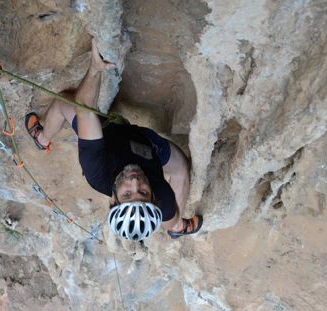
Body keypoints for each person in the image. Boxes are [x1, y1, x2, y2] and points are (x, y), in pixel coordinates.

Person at [25, 38, 203, 241]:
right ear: (154, 198)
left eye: (127, 194)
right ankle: (178, 228)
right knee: (181, 170)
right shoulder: (163, 198)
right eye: (143, 193)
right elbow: (164, 207)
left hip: (109, 133)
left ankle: (43, 138)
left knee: (63, 102)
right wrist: (174, 220)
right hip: (146, 144)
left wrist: (95, 69)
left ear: (113, 200)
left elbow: (84, 109)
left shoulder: (97, 168)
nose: (135, 183)